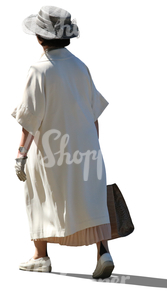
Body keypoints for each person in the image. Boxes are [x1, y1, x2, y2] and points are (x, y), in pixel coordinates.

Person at [12, 6, 114, 279]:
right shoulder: (81, 67)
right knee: (91, 199)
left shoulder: (39, 69)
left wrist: (21, 156)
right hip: (87, 148)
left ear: (39, 37)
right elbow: (94, 115)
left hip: (50, 152)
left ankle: (40, 256)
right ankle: (103, 252)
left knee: (39, 193)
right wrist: (94, 148)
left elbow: (30, 120)